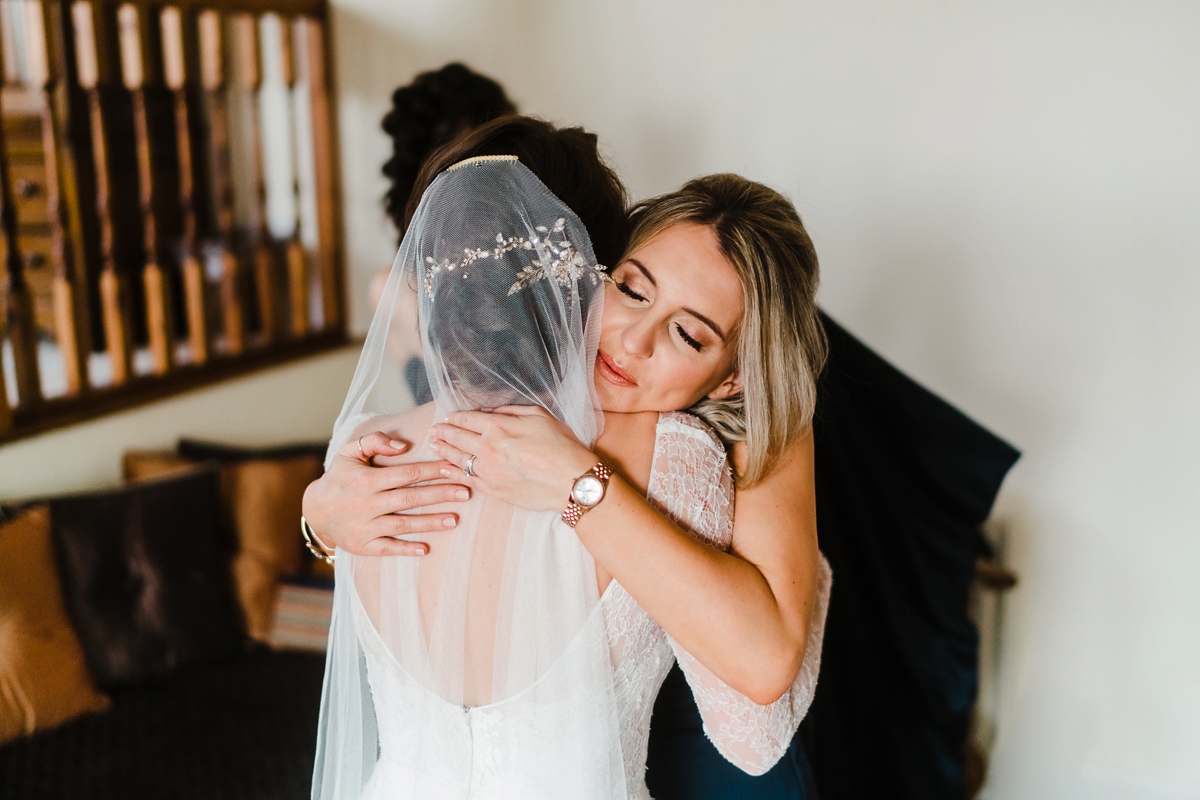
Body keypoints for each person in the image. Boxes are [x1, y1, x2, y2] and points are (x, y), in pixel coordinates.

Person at [311, 151, 829, 799]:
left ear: (733, 379)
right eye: (632, 289)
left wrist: (580, 485)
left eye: (688, 335)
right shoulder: (408, 422)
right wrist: (316, 516)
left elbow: (761, 672)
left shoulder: (718, 442)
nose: (632, 341)